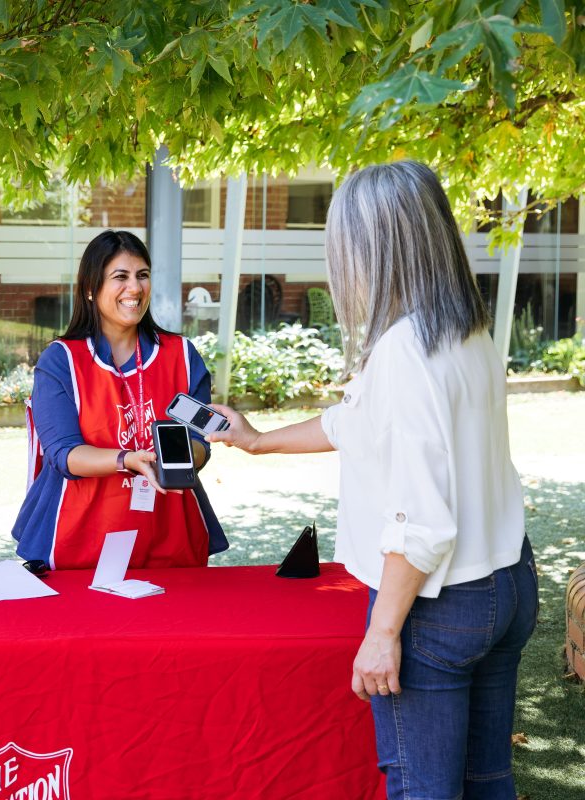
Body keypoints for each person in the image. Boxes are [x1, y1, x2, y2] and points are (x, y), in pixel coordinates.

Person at [208, 161, 537, 799]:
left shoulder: (404, 353)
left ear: (373, 250)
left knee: (422, 789)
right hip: (509, 584)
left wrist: (382, 634)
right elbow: (354, 420)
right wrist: (256, 441)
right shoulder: (465, 330)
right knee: (488, 780)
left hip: (441, 605)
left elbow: (420, 522)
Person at [12, 230, 227, 569]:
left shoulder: (181, 355)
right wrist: (128, 459)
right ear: (89, 288)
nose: (135, 288)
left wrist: (182, 456)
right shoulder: (61, 360)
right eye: (120, 277)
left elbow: (201, 443)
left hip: (169, 536)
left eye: (142, 275)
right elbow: (64, 454)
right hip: (79, 539)